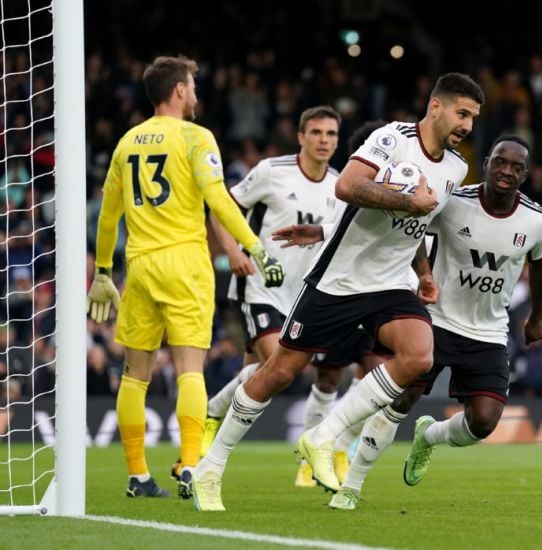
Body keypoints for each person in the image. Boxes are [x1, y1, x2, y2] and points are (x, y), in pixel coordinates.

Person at [192, 73, 484, 511]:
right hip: (339, 281)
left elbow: (418, 228)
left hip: (389, 284)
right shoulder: (393, 139)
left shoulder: (457, 167)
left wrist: (423, 270)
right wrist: (408, 201)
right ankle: (210, 469)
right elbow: (347, 186)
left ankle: (323, 437)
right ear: (436, 106)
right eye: (462, 113)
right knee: (278, 371)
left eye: (474, 118)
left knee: (419, 355)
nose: (468, 126)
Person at [284, 135, 542, 510]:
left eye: (516, 167)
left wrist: (536, 315)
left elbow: (540, 264)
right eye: (499, 162)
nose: (506, 171)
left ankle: (429, 438)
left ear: (526, 174)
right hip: (438, 319)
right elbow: (410, 233)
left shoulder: (537, 220)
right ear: (487, 162)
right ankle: (352, 487)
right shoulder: (455, 202)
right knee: (400, 400)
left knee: (484, 423)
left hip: (489, 331)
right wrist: (423, 273)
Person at [86, 56, 283, 499]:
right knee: (189, 369)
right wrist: (254, 246)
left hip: (138, 267)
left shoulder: (127, 142)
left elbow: (106, 217)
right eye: (192, 86)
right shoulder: (196, 137)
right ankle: (191, 466)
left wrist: (102, 272)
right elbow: (218, 200)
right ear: (178, 91)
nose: (195, 94)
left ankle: (137, 476)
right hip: (185, 264)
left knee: (135, 375)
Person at [200, 110, 383, 488]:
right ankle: (226, 440)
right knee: (280, 366)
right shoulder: (271, 171)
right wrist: (233, 252)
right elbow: (222, 207)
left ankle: (213, 412)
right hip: (260, 287)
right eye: (315, 132)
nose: (324, 140)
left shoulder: (342, 185)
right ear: (300, 136)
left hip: (305, 297)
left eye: (331, 134)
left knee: (258, 374)